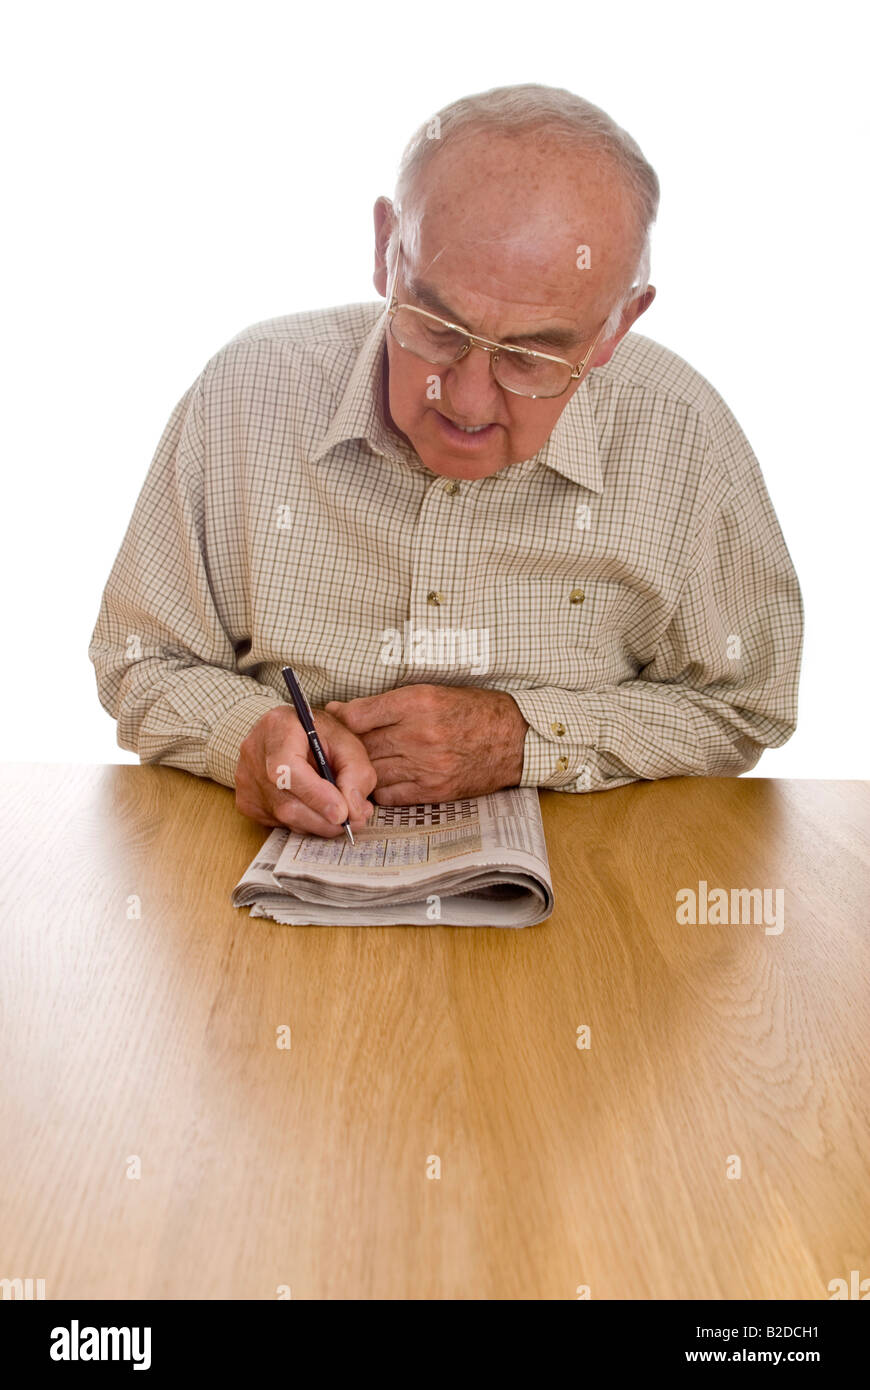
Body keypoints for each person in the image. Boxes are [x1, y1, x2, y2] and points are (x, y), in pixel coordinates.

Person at [88, 83, 804, 839]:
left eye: (531, 356)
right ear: (384, 252)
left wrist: (522, 738)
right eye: (436, 324)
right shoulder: (246, 390)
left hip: (592, 905)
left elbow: (746, 701)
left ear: (616, 325)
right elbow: (138, 660)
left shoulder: (681, 431)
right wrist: (249, 732)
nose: (464, 400)